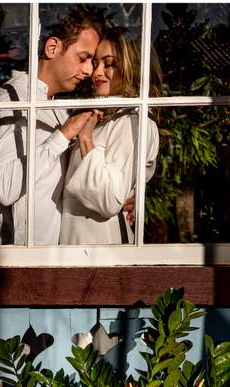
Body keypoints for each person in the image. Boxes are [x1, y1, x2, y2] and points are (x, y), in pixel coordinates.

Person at [0, 8, 103, 246]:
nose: (89, 70)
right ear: (52, 48)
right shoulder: (11, 99)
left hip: (52, 260)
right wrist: (65, 133)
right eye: (83, 58)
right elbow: (5, 188)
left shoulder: (56, 108)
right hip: (15, 261)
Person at [59, 27, 164, 246]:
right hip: (73, 239)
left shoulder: (135, 121)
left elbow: (109, 200)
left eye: (109, 64)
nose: (96, 72)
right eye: (96, 63)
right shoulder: (105, 117)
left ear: (132, 67)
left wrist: (86, 139)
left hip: (100, 243)